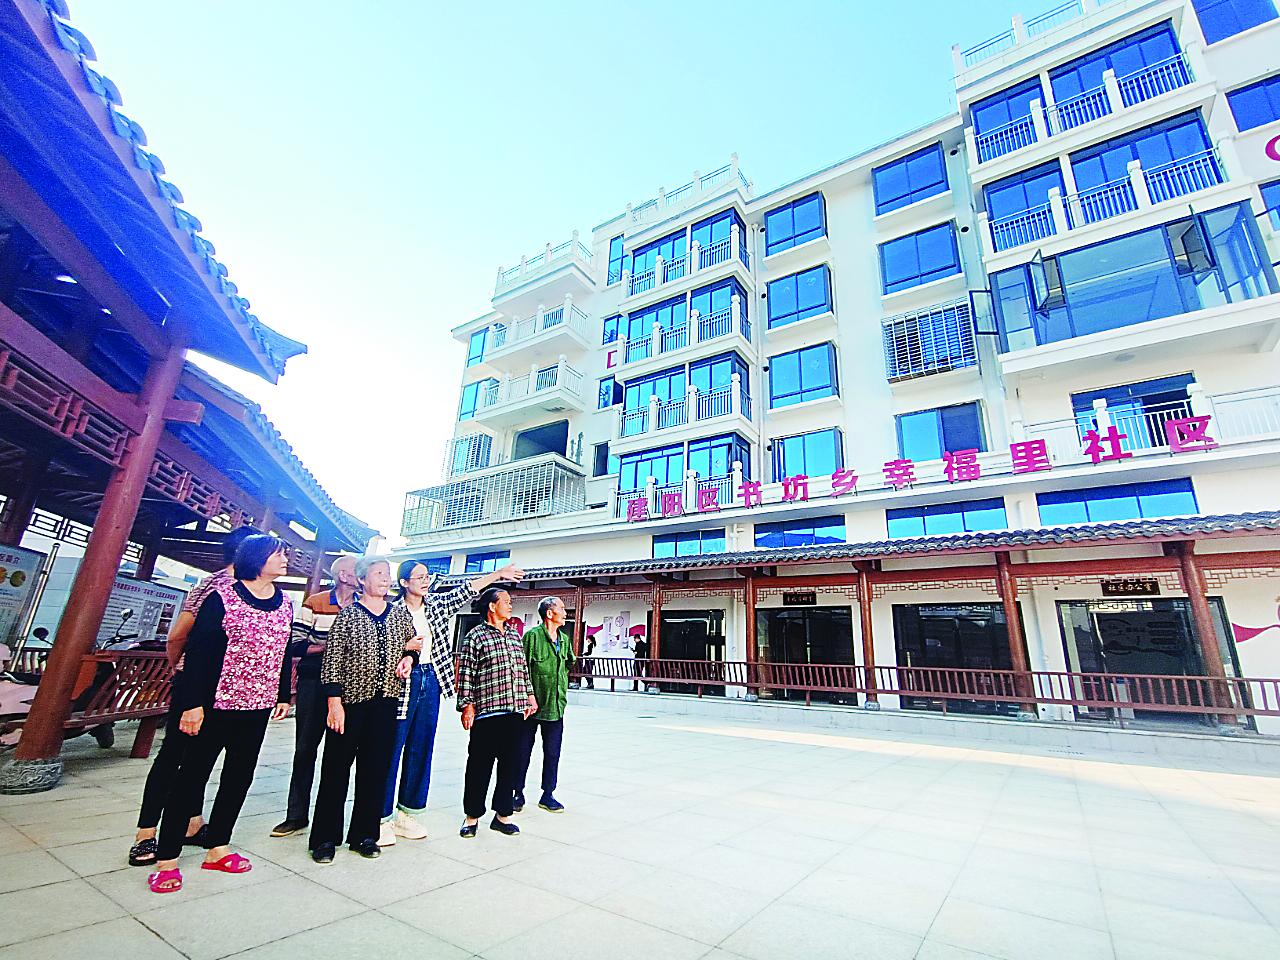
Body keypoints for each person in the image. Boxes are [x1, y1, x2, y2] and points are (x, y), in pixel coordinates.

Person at [146, 535, 294, 894]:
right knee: (191, 778)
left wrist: (282, 695)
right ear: (257, 559)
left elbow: (284, 650)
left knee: (239, 777)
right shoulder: (223, 597)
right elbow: (199, 653)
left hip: (257, 706)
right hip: (215, 704)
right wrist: (193, 703)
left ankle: (218, 846)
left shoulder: (285, 603)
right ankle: (167, 859)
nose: (285, 560)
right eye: (278, 554)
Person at [128, 525, 260, 868]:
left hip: (229, 693)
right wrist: (182, 670)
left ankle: (192, 823)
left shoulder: (256, 590)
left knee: (196, 760)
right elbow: (178, 636)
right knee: (174, 756)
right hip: (198, 686)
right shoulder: (215, 586)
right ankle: (146, 833)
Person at [379, 559, 526, 846]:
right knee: (392, 748)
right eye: (419, 577)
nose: (425, 581)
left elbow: (467, 589)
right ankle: (382, 817)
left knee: (421, 748)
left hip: (431, 677)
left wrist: (498, 574)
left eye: (427, 576)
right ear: (404, 583)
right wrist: (405, 648)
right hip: (401, 681)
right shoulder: (392, 610)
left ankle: (408, 813)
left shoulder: (436, 605)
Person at [308, 557, 418, 862]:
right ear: (361, 579)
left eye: (387, 574)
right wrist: (334, 703)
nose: (385, 578)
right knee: (335, 770)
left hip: (386, 703)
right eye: (378, 573)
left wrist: (408, 659)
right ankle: (325, 838)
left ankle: (365, 835)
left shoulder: (399, 615)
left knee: (375, 770)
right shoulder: (348, 616)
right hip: (349, 704)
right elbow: (331, 663)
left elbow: (412, 645)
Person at [271, 554, 359, 837]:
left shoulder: (363, 605)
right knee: (305, 749)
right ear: (343, 575)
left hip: (348, 686)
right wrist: (332, 646)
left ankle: (328, 819)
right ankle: (296, 815)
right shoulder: (315, 603)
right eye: (357, 570)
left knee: (339, 753)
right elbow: (295, 644)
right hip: (313, 683)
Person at [457, 586, 537, 838]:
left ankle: (503, 816)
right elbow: (466, 674)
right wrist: (467, 705)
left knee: (510, 766)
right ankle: (471, 817)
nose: (510, 605)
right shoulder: (475, 636)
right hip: (487, 712)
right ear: (492, 606)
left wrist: (529, 696)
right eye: (506, 601)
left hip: (514, 711)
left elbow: (522, 670)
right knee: (479, 766)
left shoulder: (513, 635)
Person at [512, 596, 573, 814]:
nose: (565, 613)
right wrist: (527, 696)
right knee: (522, 751)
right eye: (562, 609)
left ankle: (548, 794)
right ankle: (517, 792)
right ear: (549, 613)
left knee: (553, 752)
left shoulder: (564, 639)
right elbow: (520, 668)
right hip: (531, 707)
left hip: (555, 706)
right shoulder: (532, 637)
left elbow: (568, 663)